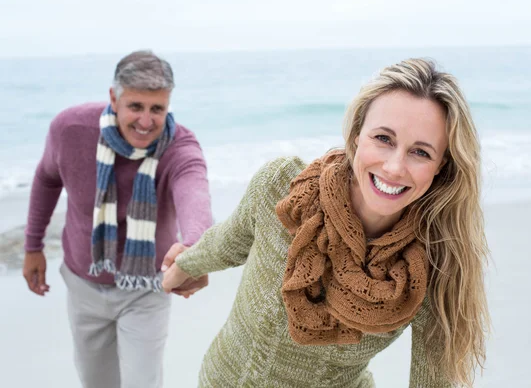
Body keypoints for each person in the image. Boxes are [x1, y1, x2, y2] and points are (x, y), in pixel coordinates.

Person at [162, 58, 490, 387]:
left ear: (440, 166)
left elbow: (432, 381)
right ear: (358, 131)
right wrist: (184, 266)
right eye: (383, 138)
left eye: (420, 152)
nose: (393, 167)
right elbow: (228, 241)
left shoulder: (432, 266)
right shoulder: (283, 186)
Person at [22, 50, 213, 388]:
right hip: (84, 284)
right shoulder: (71, 129)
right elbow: (47, 178)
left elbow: (194, 198)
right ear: (114, 97)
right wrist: (32, 246)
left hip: (147, 289)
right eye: (136, 106)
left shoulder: (180, 147)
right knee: (96, 382)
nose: (146, 121)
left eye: (157, 109)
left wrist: (197, 253)